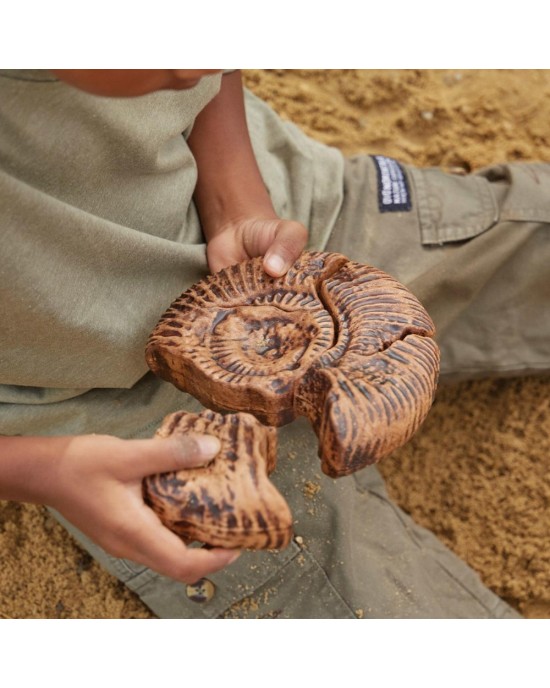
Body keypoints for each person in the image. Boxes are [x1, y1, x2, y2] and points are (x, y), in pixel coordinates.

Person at [0, 69, 547, 618]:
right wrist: (40, 469)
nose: (192, 68)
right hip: (108, 413)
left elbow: (207, 73)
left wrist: (235, 202)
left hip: (288, 245)